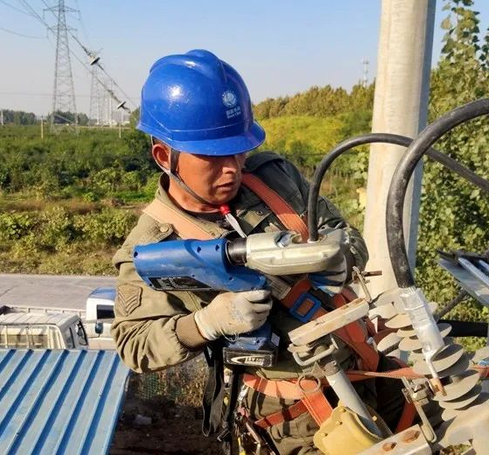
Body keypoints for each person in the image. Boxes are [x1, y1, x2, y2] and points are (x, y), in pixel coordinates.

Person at [112, 50, 404, 454]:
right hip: (295, 410)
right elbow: (134, 343)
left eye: (238, 150)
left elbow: (344, 232)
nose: (233, 167)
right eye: (214, 157)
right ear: (165, 157)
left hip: (366, 364)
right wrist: (206, 323)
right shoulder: (153, 247)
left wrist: (343, 256)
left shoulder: (273, 178)